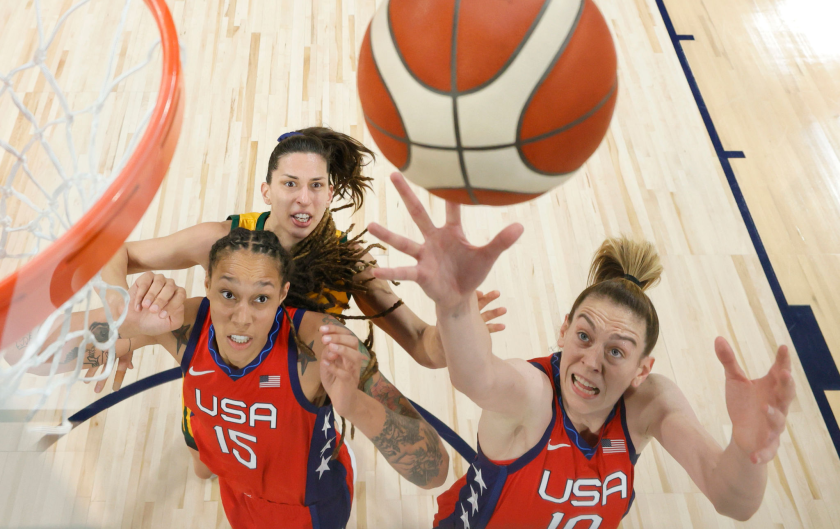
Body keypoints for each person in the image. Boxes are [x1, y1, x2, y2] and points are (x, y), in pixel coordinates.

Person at [366, 173, 796, 528]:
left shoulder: (650, 404)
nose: (591, 362)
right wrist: (455, 307)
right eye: (585, 337)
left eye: (616, 352)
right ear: (564, 331)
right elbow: (475, 375)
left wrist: (746, 449)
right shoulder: (532, 397)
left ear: (642, 369)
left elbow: (733, 501)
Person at [98, 127, 504, 388]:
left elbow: (421, 344)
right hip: (222, 378)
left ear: (330, 194)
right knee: (205, 466)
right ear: (266, 190)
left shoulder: (349, 263)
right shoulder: (223, 239)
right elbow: (116, 249)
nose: (303, 199)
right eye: (289, 184)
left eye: (315, 186)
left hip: (299, 390)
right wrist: (121, 311)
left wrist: (457, 321)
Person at [103, 227, 449, 528]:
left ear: (281, 295)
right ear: (207, 284)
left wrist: (353, 404)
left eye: (261, 299)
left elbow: (435, 471)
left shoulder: (320, 344)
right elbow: (54, 347)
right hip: (238, 494)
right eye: (228, 295)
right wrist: (123, 317)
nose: (241, 318)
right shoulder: (184, 322)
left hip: (310, 512)